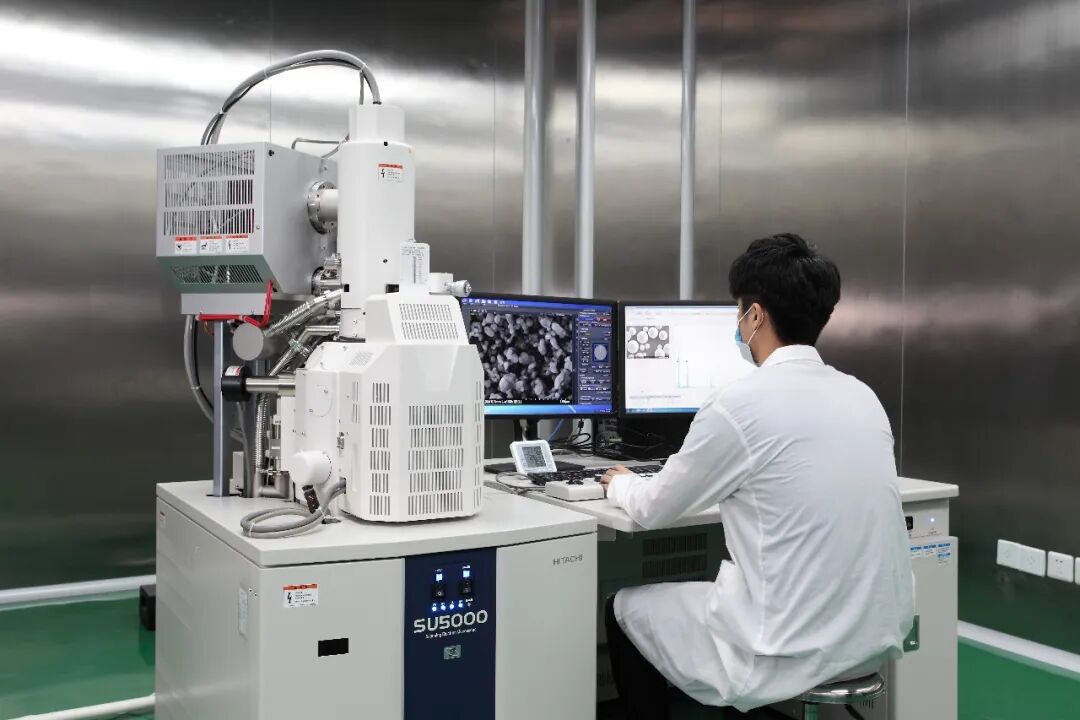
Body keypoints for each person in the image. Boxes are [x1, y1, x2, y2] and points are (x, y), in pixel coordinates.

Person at [600, 233, 914, 717]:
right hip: (872, 638)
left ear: (756, 316)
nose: (738, 322)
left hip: (780, 648)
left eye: (738, 311)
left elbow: (655, 508)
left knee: (622, 608)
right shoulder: (862, 395)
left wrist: (621, 482)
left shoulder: (737, 405)